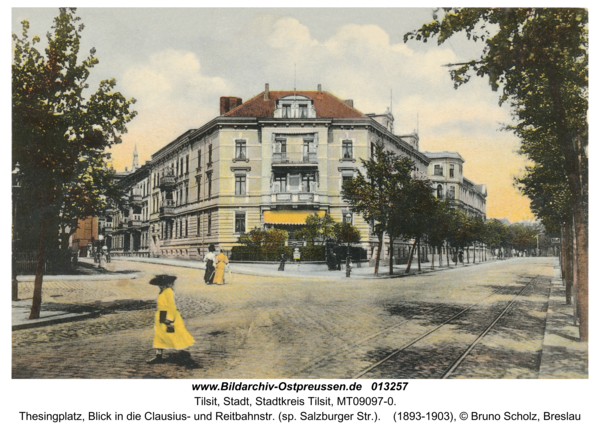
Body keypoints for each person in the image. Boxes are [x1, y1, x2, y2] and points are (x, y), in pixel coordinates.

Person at [148, 274, 194, 363]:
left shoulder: (168, 291)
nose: (159, 286)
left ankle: (182, 353)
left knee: (174, 334)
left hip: (168, 316)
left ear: (166, 284)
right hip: (161, 315)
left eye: (161, 284)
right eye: (159, 284)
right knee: (159, 335)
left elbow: (171, 306)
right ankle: (158, 356)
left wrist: (169, 319)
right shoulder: (163, 291)